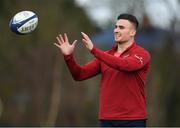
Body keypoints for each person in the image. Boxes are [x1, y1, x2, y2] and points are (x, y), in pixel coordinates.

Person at [54, 13, 151, 127]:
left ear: (132, 32)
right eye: (116, 27)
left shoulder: (142, 54)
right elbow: (79, 75)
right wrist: (68, 57)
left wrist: (94, 50)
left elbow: (125, 65)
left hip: (133, 120)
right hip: (107, 120)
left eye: (121, 27)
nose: (116, 30)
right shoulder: (105, 56)